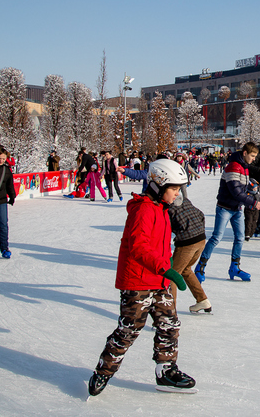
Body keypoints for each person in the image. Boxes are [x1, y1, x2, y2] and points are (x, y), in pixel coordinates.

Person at [87, 159, 196, 397]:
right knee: (129, 330)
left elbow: (161, 246)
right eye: (174, 189)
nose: (178, 194)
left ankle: (166, 370)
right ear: (158, 185)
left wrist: (165, 268)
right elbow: (138, 247)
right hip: (138, 281)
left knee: (169, 325)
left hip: (158, 280)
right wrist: (166, 269)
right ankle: (103, 372)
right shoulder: (144, 209)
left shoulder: (162, 209)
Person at [195, 143, 260, 283]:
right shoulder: (233, 166)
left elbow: (241, 187)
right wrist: (253, 202)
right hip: (225, 207)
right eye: (252, 156)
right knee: (216, 238)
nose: (254, 159)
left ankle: (234, 267)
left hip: (237, 208)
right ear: (245, 153)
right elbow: (235, 191)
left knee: (240, 238)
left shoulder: (244, 167)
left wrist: (250, 188)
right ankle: (200, 267)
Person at [167, 191, 211, 314]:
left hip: (187, 243)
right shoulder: (186, 200)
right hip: (201, 239)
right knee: (186, 269)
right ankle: (202, 300)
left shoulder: (169, 208)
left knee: (172, 275)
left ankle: (170, 312)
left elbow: (166, 227)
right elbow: (201, 214)